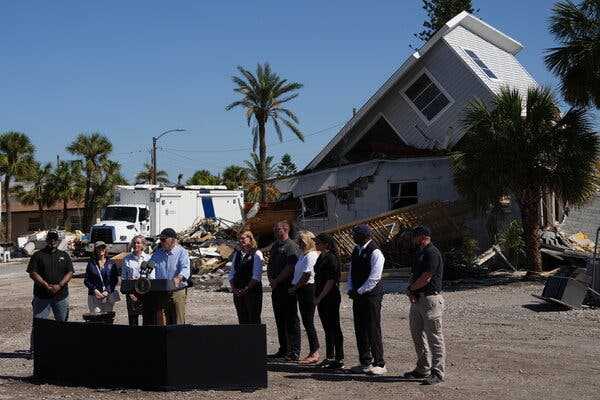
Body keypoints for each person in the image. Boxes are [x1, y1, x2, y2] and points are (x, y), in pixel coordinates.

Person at [403, 226, 446, 385]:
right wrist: (412, 291)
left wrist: (410, 288)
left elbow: (427, 277)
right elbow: (415, 275)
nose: (412, 239)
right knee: (417, 334)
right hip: (418, 299)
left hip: (430, 300)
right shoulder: (419, 253)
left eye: (414, 236)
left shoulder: (432, 252)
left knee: (434, 337)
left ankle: (437, 372)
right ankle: (423, 368)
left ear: (422, 236)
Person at [347, 224, 386, 376]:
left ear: (364, 235)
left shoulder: (375, 251)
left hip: (371, 296)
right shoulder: (356, 250)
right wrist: (351, 288)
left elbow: (375, 277)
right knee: (360, 328)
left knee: (372, 328)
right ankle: (365, 361)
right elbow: (351, 272)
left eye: (355, 234)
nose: (353, 237)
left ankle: (379, 363)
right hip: (358, 295)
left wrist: (361, 291)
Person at [28, 230, 74, 350]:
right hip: (42, 296)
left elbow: (70, 272)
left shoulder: (64, 255)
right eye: (50, 239)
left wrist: (59, 285)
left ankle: (63, 348)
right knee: (39, 324)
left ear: (58, 240)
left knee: (62, 323)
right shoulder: (38, 255)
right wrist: (45, 285)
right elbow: (32, 273)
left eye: (55, 239)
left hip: (61, 296)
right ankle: (35, 350)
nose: (52, 241)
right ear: (46, 240)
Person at [267, 220, 301, 361]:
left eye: (278, 229)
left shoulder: (291, 246)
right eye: (274, 229)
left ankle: (294, 351)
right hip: (276, 288)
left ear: (286, 229)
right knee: (280, 319)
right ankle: (283, 348)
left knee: (291, 319)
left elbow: (290, 267)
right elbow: (269, 264)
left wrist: (277, 280)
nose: (276, 232)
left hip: (287, 287)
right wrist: (271, 279)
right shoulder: (275, 246)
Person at [289, 231, 320, 364]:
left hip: (307, 289)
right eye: (299, 242)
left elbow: (306, 275)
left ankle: (315, 351)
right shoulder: (303, 255)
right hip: (301, 289)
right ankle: (314, 350)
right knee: (306, 322)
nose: (300, 244)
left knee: (308, 321)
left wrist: (295, 288)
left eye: (302, 242)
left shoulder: (311, 255)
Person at [314, 233, 344, 369]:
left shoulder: (331, 258)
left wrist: (320, 296)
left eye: (318, 242)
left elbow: (331, 280)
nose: (316, 244)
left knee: (334, 326)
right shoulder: (321, 257)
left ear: (326, 244)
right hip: (321, 295)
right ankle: (329, 355)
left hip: (330, 296)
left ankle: (339, 357)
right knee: (327, 327)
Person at [148, 228, 190, 325]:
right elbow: (151, 263)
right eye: (161, 240)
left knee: (178, 319)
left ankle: (180, 338)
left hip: (177, 289)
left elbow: (185, 268)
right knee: (166, 319)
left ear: (173, 240)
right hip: (163, 290)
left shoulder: (182, 252)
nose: (161, 242)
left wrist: (179, 278)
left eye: (164, 240)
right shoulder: (158, 252)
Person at [229, 230, 264, 325]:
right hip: (238, 291)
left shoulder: (256, 254)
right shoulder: (237, 254)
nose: (241, 240)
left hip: (252, 291)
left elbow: (256, 276)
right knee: (242, 318)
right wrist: (234, 288)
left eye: (243, 238)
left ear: (250, 239)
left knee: (253, 319)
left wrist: (246, 289)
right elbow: (232, 273)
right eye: (239, 239)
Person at [122, 235, 153, 326]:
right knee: (133, 320)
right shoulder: (127, 259)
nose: (136, 245)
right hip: (131, 293)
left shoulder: (148, 258)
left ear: (143, 245)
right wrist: (130, 293)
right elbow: (124, 278)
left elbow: (152, 277)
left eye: (138, 243)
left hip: (146, 292)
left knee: (147, 319)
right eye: (134, 242)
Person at [84, 241, 120, 314]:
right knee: (96, 318)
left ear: (105, 249)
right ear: (95, 250)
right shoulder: (91, 263)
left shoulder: (111, 263)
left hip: (108, 295)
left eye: (102, 247)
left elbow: (114, 280)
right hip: (94, 296)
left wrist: (107, 291)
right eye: (98, 248)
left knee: (108, 318)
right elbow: (86, 280)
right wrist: (94, 290)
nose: (101, 249)